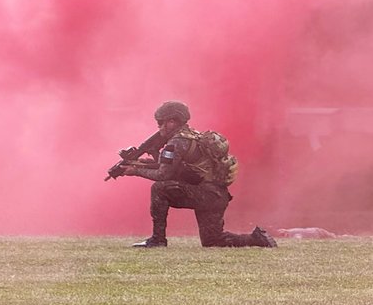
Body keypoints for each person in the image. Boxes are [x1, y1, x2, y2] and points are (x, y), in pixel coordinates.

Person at [114, 100, 277, 249]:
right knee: (214, 241)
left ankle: (158, 240)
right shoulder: (192, 137)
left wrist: (135, 171)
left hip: (205, 194)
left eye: (161, 123)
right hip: (215, 196)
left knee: (159, 188)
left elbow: (164, 174)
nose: (160, 127)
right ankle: (256, 239)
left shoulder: (176, 143)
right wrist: (140, 163)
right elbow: (172, 167)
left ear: (172, 121)